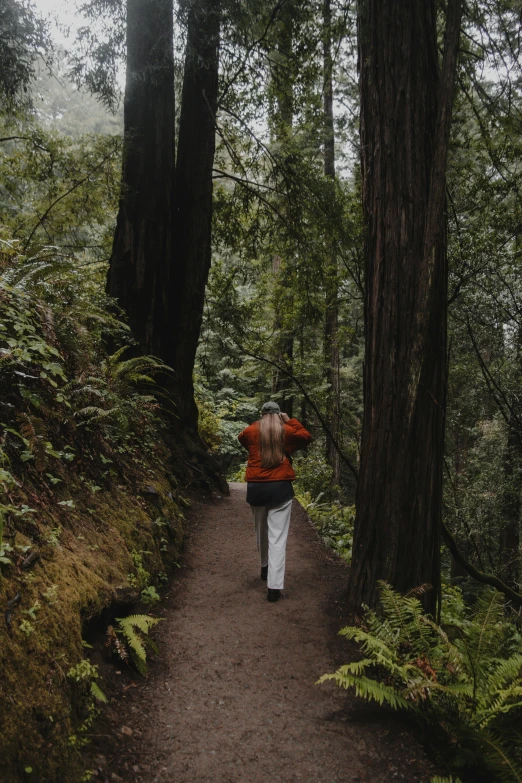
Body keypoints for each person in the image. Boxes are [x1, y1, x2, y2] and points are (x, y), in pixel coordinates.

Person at [238, 401, 312, 602]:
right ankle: (274, 587)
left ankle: (264, 567)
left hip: (257, 488)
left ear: (262, 414)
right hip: (280, 488)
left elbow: (242, 439)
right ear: (279, 414)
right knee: (277, 538)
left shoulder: (251, 430)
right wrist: (290, 421)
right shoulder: (286, 430)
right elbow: (306, 437)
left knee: (261, 531)